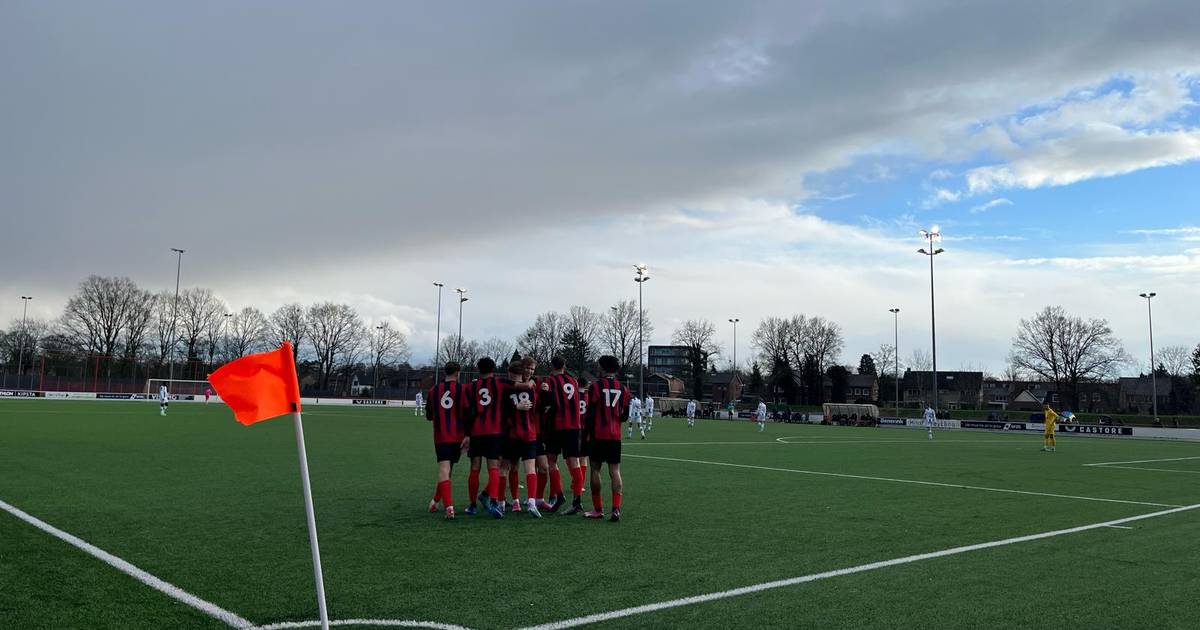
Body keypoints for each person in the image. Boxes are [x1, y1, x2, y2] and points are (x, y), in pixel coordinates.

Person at [584, 355, 630, 521]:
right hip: (614, 435)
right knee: (615, 471)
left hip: (598, 434)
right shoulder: (623, 389)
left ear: (603, 368)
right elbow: (625, 416)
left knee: (595, 469)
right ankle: (616, 509)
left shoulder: (595, 387)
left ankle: (598, 509)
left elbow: (590, 414)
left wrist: (587, 432)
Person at [426, 362, 470, 519]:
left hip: (442, 436)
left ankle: (448, 506)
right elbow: (467, 412)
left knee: (445, 470)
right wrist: (468, 434)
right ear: (458, 372)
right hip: (458, 436)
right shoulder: (463, 390)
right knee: (448, 470)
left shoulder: (433, 391)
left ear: (445, 372)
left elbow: (429, 415)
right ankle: (436, 501)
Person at [542, 356, 585, 514]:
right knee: (575, 463)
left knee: (551, 461)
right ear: (564, 366)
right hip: (574, 426)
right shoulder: (573, 381)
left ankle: (559, 495)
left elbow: (549, 401)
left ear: (552, 366)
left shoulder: (550, 380)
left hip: (557, 426)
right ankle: (577, 500)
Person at [465, 357, 507, 518]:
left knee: (475, 468)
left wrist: (467, 434)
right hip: (494, 432)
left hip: (476, 433)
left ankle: (472, 505)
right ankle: (494, 502)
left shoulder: (472, 386)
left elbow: (467, 410)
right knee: (494, 468)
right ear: (493, 369)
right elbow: (518, 386)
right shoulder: (499, 383)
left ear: (478, 369)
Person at [499, 361, 543, 517]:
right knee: (529, 468)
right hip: (529, 433)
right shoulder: (532, 388)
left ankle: (503, 503)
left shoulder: (504, 388)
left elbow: (501, 411)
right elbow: (537, 407)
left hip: (511, 435)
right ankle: (530, 502)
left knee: (505, 468)